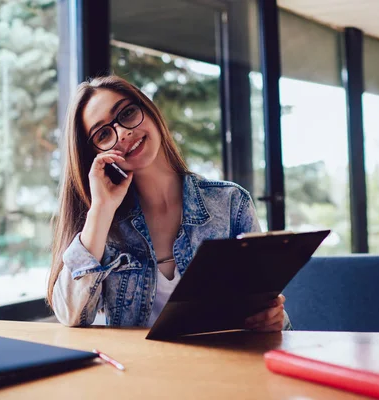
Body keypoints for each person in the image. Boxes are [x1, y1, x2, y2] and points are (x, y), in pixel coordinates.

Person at [47, 75, 291, 331]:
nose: (123, 133)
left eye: (127, 113)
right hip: (137, 369)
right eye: (103, 134)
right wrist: (101, 209)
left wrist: (273, 320)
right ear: (96, 155)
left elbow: (270, 314)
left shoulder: (230, 203)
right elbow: (71, 315)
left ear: (150, 112)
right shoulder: (103, 225)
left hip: (219, 366)